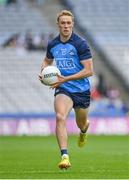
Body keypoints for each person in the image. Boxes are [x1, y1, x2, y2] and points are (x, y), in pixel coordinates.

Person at [39, 10, 93, 169]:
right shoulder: (53, 44)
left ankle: (84, 131)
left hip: (81, 89)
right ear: (58, 25)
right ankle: (65, 156)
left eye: (69, 23)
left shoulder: (80, 43)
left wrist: (66, 78)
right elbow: (47, 61)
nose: (66, 26)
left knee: (81, 123)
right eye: (63, 23)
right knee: (60, 116)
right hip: (63, 88)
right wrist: (43, 71)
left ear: (72, 24)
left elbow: (89, 70)